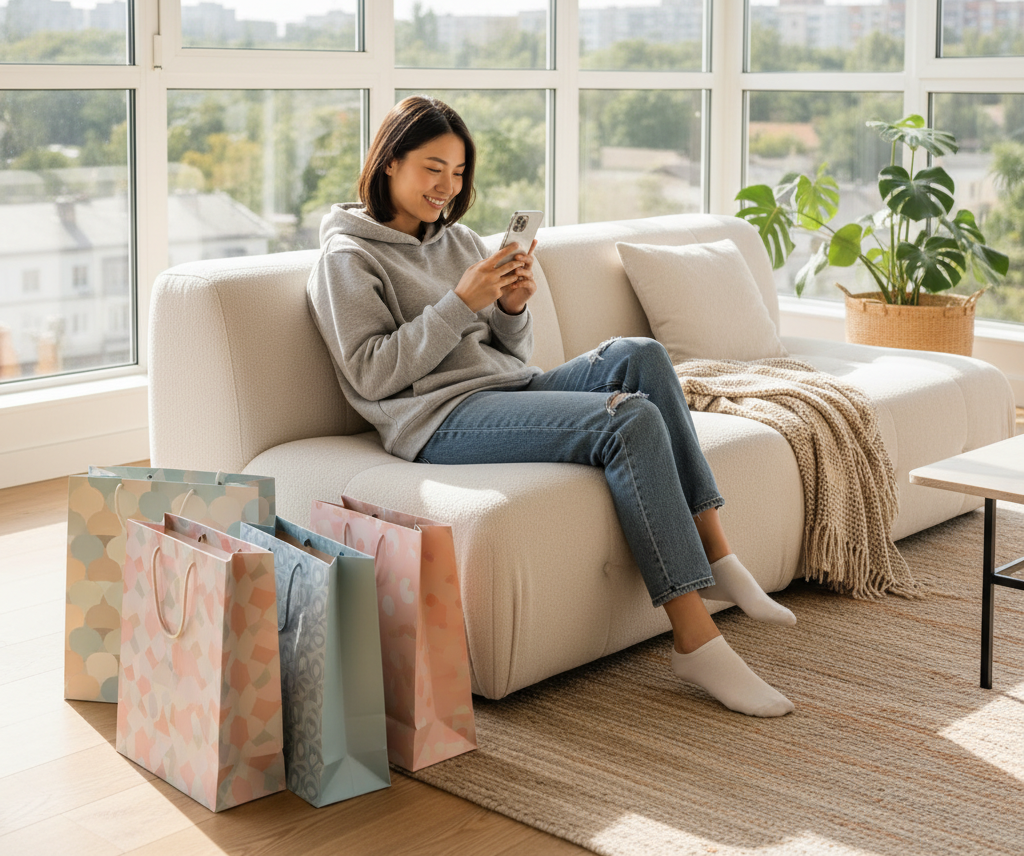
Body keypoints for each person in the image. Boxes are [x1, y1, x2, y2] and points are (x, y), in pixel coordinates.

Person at [307, 95, 796, 717]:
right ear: (389, 163)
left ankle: (717, 554)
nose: (446, 187)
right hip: (438, 420)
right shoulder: (347, 259)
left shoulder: (458, 241)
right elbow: (372, 374)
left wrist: (511, 307)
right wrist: (459, 303)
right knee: (628, 418)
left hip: (508, 389)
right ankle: (696, 640)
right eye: (433, 168)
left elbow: (511, 354)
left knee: (641, 355)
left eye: (458, 173)